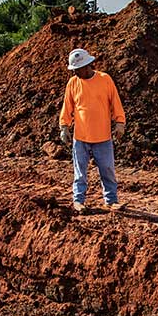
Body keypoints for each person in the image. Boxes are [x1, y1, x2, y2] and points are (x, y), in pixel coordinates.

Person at [59, 48, 127, 214]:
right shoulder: (73, 83)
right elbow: (67, 106)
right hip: (80, 137)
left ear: (87, 65)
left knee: (107, 170)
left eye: (77, 69)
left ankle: (111, 201)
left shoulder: (105, 79)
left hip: (103, 136)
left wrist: (120, 122)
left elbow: (115, 102)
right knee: (80, 173)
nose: (74, 72)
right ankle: (78, 201)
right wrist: (64, 126)